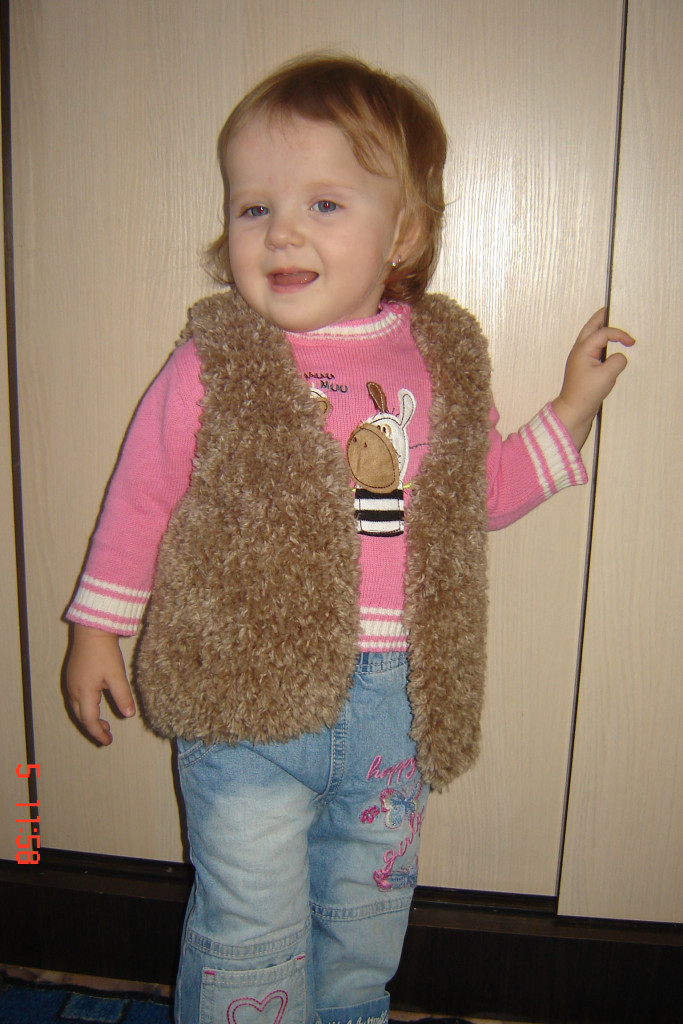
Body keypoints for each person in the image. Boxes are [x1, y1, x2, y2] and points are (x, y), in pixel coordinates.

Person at [64, 54, 634, 1024]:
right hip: (244, 699)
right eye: (254, 207)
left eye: (323, 204)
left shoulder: (436, 358)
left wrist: (570, 410)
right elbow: (142, 494)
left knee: (363, 919)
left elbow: (477, 495)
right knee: (247, 925)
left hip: (393, 706)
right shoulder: (216, 357)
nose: (281, 230)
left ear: (401, 233)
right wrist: (96, 628)